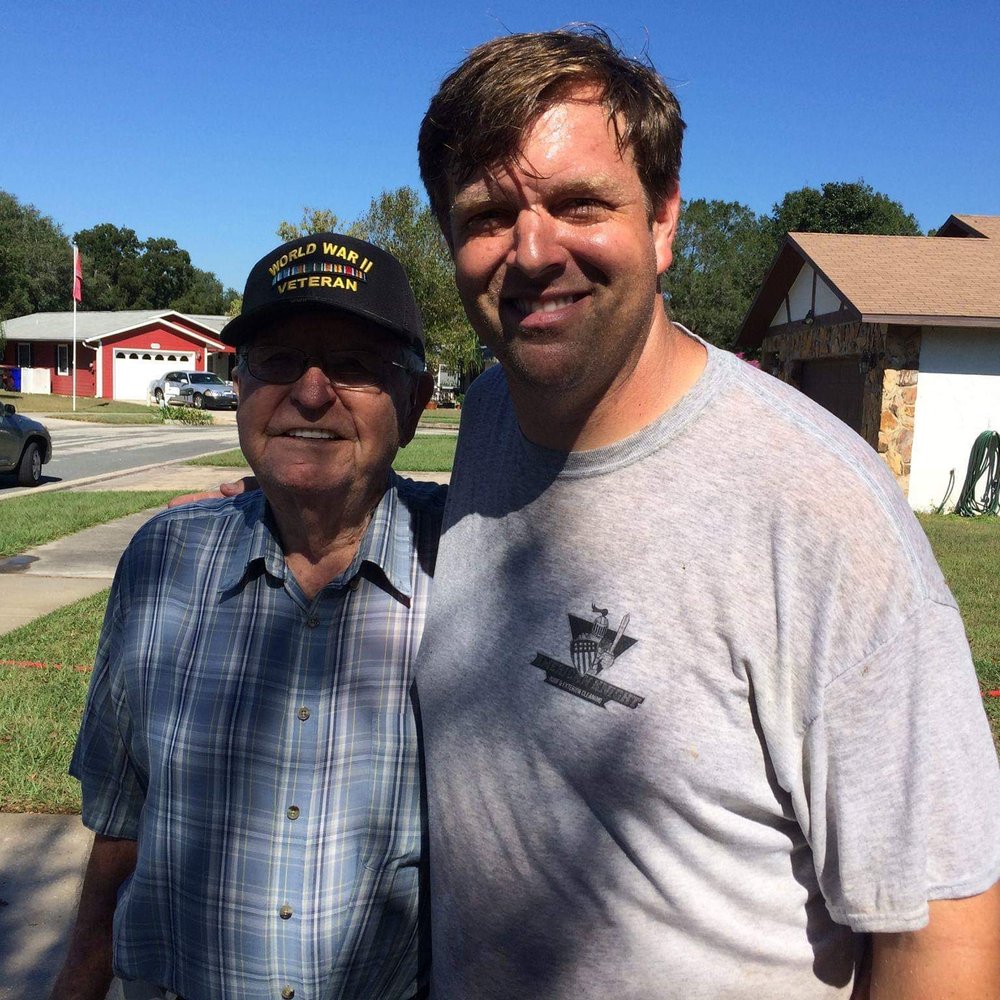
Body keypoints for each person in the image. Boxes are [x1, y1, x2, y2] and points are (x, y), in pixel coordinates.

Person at [411, 27, 1000, 999]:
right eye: (487, 214)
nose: (530, 249)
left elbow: (945, 932)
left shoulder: (818, 511)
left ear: (662, 222)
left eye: (577, 204)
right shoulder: (485, 419)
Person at [51, 233, 439, 1000]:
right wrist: (78, 981)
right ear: (238, 386)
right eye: (278, 360)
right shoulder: (163, 560)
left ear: (416, 404)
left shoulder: (470, 566)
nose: (311, 392)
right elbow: (123, 815)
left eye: (355, 365)